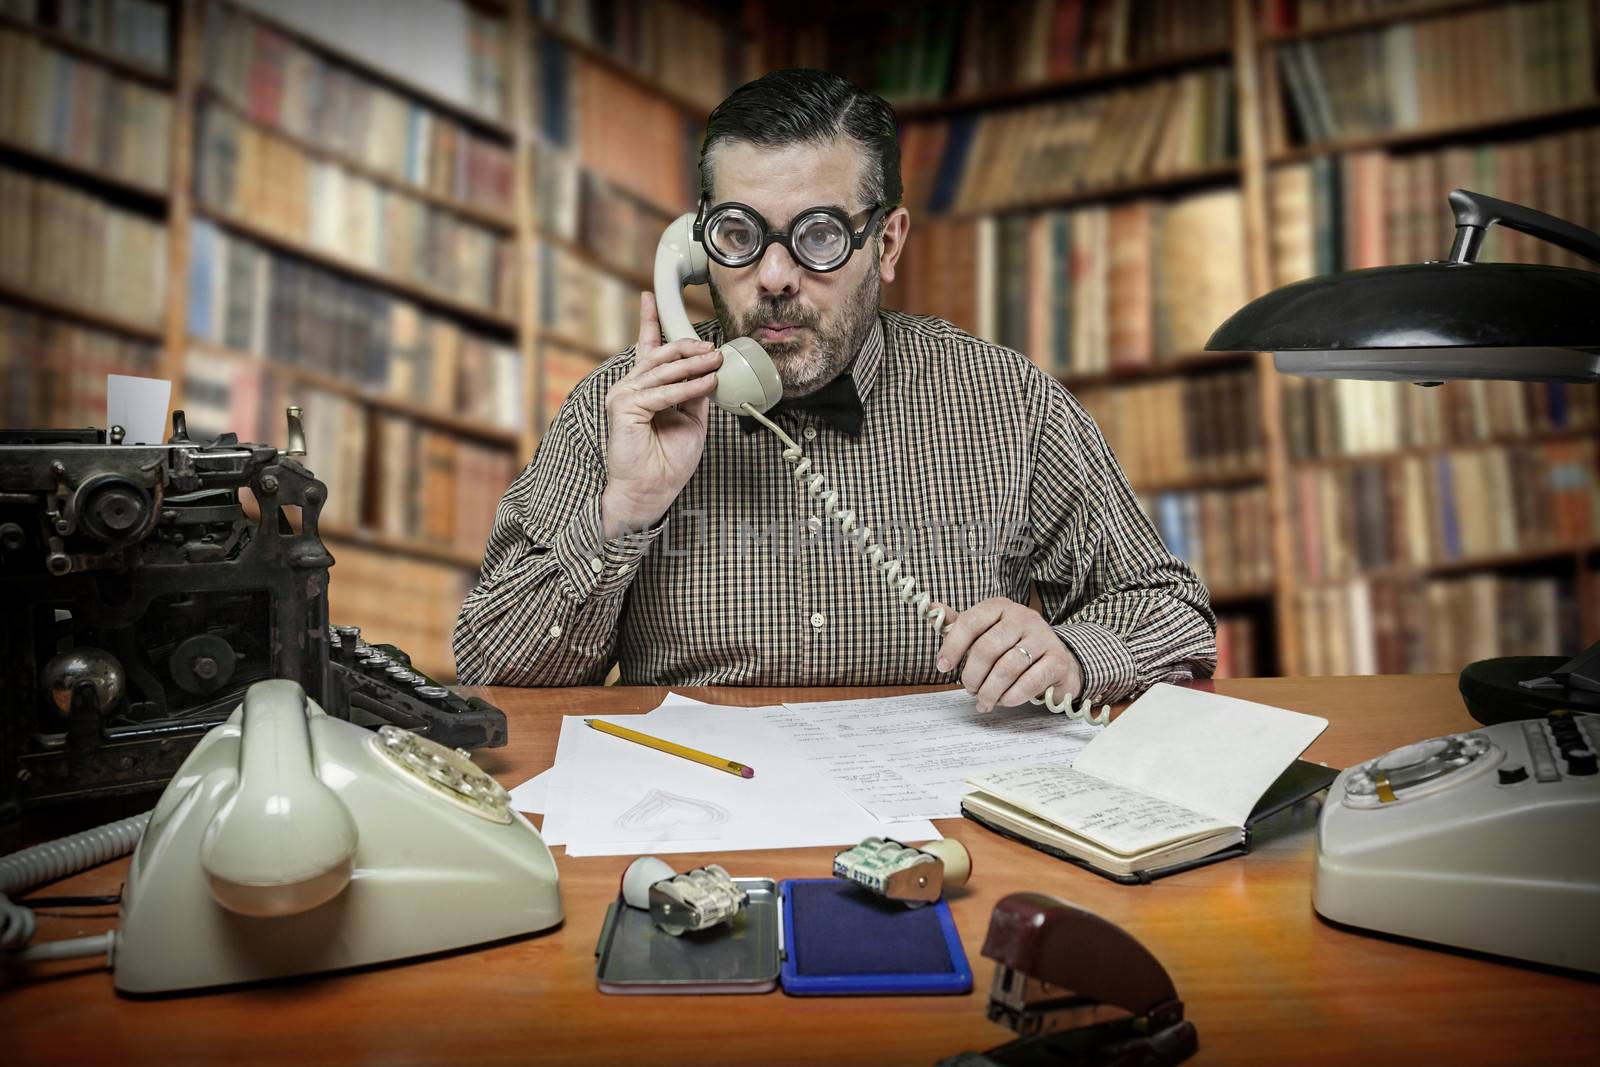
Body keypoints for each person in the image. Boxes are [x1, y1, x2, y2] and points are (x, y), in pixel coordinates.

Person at [453, 69, 1216, 712]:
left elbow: (1171, 610)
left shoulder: (1008, 400)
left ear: (885, 243)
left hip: (945, 828)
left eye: (819, 235)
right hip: (701, 829)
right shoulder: (617, 408)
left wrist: (1072, 654)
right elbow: (491, 669)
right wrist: (624, 512)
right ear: (692, 250)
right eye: (739, 235)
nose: (776, 276)